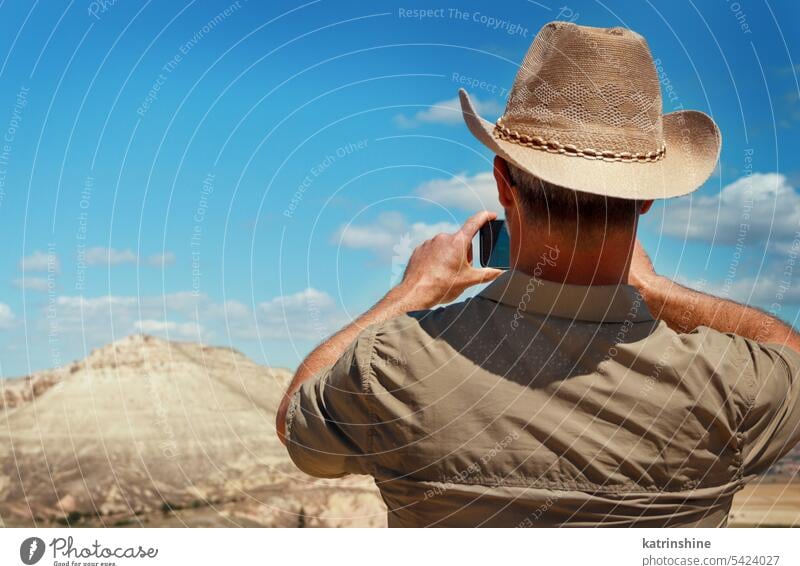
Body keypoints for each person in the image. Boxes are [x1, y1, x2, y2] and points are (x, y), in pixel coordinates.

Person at [276, 21, 800, 527]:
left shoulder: (392, 367)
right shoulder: (729, 385)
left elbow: (295, 423)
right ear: (645, 198)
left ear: (504, 184)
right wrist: (653, 288)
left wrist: (411, 293)